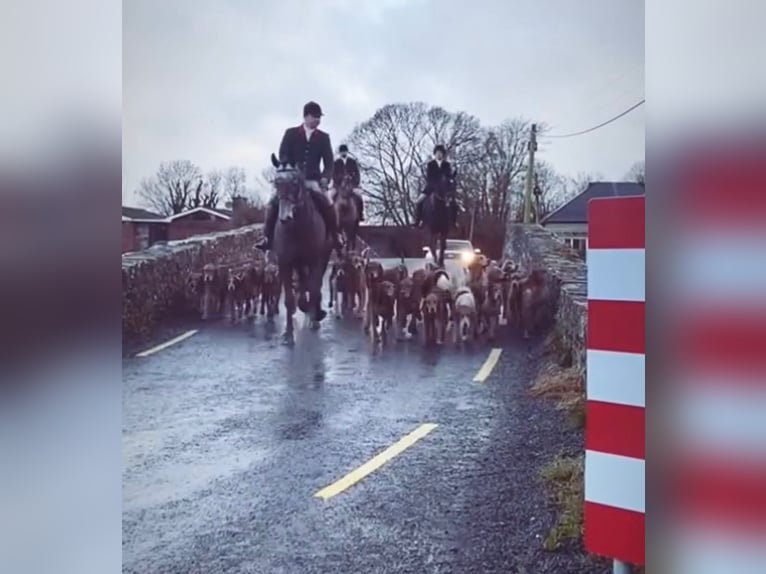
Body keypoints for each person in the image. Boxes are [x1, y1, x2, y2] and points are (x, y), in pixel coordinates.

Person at [256, 101, 342, 252]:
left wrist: (325, 178)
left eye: (319, 117)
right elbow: (283, 154)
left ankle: (335, 236)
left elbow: (329, 163)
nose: (318, 120)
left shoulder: (324, 137)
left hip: (312, 181)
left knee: (329, 202)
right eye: (315, 117)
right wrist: (289, 169)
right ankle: (267, 238)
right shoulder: (290, 133)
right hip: (291, 180)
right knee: (272, 203)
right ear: (306, 116)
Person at [414, 144, 457, 227]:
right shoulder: (430, 164)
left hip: (444, 189)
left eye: (440, 153)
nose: (439, 154)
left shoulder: (447, 165)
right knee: (418, 201)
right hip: (431, 187)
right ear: (435, 154)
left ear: (443, 154)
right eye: (437, 153)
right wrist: (435, 185)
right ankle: (418, 220)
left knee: (455, 204)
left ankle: (453, 222)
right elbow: (429, 177)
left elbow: (448, 176)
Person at [330, 144, 364, 221]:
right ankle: (330, 216)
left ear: (347, 152)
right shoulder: (336, 162)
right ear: (340, 153)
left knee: (359, 197)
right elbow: (333, 175)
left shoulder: (352, 162)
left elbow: (357, 173)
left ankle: (361, 214)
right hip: (338, 186)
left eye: (344, 151)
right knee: (330, 197)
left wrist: (355, 182)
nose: (343, 153)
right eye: (342, 152)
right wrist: (340, 178)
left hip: (351, 185)